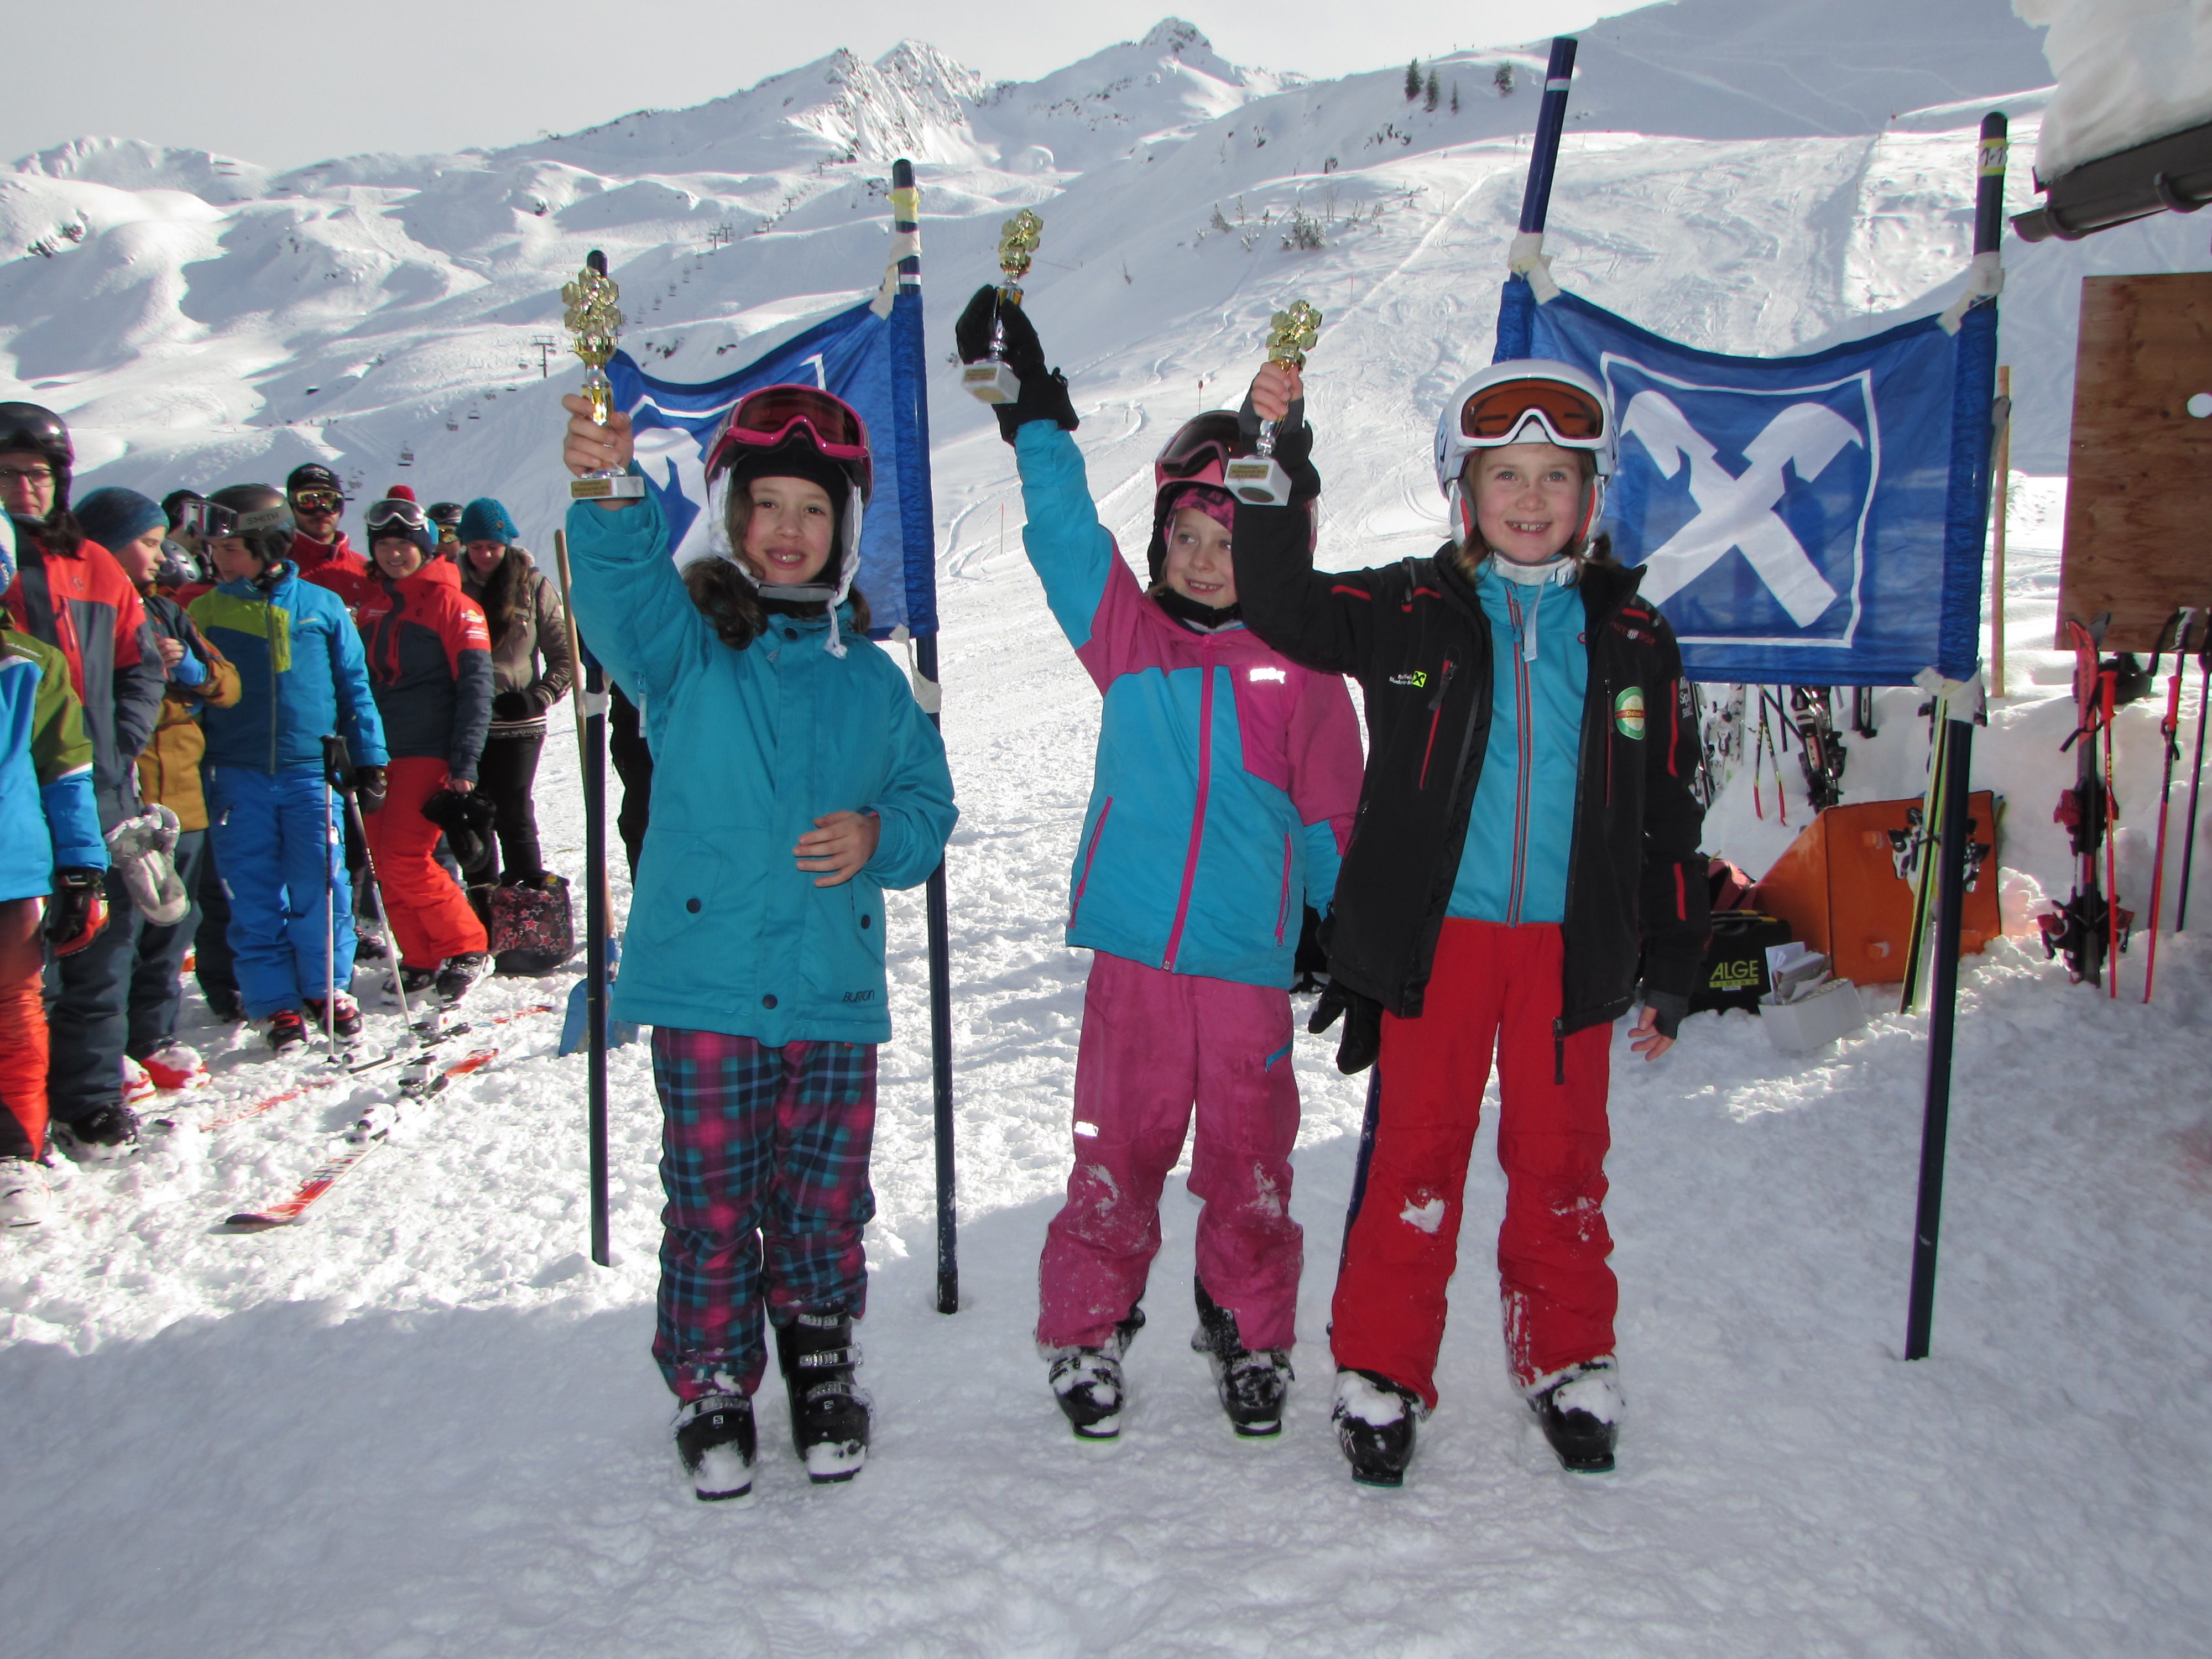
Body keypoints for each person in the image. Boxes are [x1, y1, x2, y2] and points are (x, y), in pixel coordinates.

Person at [1229, 358, 1709, 1484]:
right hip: (1437, 946)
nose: (1531, 498)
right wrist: (1273, 460)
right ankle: (1381, 1370)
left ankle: (1568, 1358)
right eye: (1506, 475)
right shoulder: (1411, 610)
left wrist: (1676, 959)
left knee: (1561, 1163)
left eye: (1556, 476)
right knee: (1417, 1153)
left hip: (1569, 955)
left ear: (1591, 495)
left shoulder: (1636, 638)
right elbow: (1281, 605)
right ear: (1463, 491)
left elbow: (1667, 813)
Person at [954, 288, 1364, 1442]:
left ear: (1277, 549)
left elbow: (1335, 818)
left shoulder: (1306, 675)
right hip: (1133, 964)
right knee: (1116, 1155)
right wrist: (1035, 418)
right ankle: (1086, 1327)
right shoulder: (1129, 641)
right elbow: (1063, 541)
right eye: (1184, 536)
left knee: (1249, 1164)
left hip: (1244, 973)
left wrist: (1349, 935)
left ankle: (1249, 1330)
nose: (1201, 559)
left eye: (1227, 541)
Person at [561, 382, 956, 1501]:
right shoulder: (686, 652)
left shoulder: (871, 681)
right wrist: (608, 492)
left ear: (845, 529)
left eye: (814, 509)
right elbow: (620, 593)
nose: (789, 527)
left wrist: (879, 834)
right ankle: (711, 1385)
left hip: (832, 993)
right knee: (713, 1203)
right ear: (734, 519)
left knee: (824, 1201)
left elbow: (928, 807)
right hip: (708, 992)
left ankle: (820, 1363)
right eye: (767, 504)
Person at [0, 404, 165, 1155]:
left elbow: (142, 665)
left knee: (100, 947)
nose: (25, 489)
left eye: (37, 475)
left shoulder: (95, 564)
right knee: (27, 972)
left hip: (97, 788)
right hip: (16, 790)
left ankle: (91, 1099)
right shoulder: (3, 567)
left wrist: (121, 743)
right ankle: (21, 1123)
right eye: (8, 475)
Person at [189, 486, 388, 1052]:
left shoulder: (321, 606)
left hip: (310, 772)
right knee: (252, 891)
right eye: (216, 550)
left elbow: (354, 686)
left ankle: (327, 986)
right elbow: (190, 701)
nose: (220, 560)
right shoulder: (205, 611)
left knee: (321, 882)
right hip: (236, 773)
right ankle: (273, 1000)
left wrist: (370, 758)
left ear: (268, 545)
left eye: (231, 549)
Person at [77, 487, 241, 1092]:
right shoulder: (86, 610)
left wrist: (190, 671)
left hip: (182, 797)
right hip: (120, 796)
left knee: (174, 923)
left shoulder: (168, 611)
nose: (159, 555)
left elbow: (228, 684)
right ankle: (107, 1048)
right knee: (117, 931)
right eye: (147, 543)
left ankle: (154, 1036)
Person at [0, 514, 110, 1224]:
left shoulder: (28, 665)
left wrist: (81, 868)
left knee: (13, 1009)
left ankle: (16, 1150)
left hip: (9, 869)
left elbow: (67, 775)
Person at [352, 492, 494, 1004]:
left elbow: (477, 689)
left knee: (406, 857)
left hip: (428, 749)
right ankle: (419, 955)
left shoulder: (455, 605)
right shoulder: (373, 607)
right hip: (377, 752)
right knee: (383, 861)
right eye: (384, 545)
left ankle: (467, 945)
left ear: (426, 547)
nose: (394, 554)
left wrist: (464, 763)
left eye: (404, 545)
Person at [457, 497, 572, 887]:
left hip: (519, 721)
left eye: (494, 546)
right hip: (467, 720)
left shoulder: (533, 585)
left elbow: (565, 655)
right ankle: (483, 902)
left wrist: (538, 697)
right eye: (477, 547)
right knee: (475, 812)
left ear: (508, 542)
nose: (486, 555)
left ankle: (528, 895)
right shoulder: (450, 585)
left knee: (513, 809)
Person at [285, 463, 371, 600]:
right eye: (307, 501)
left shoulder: (364, 571)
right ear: (291, 507)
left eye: (330, 500)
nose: (320, 511)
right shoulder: (277, 568)